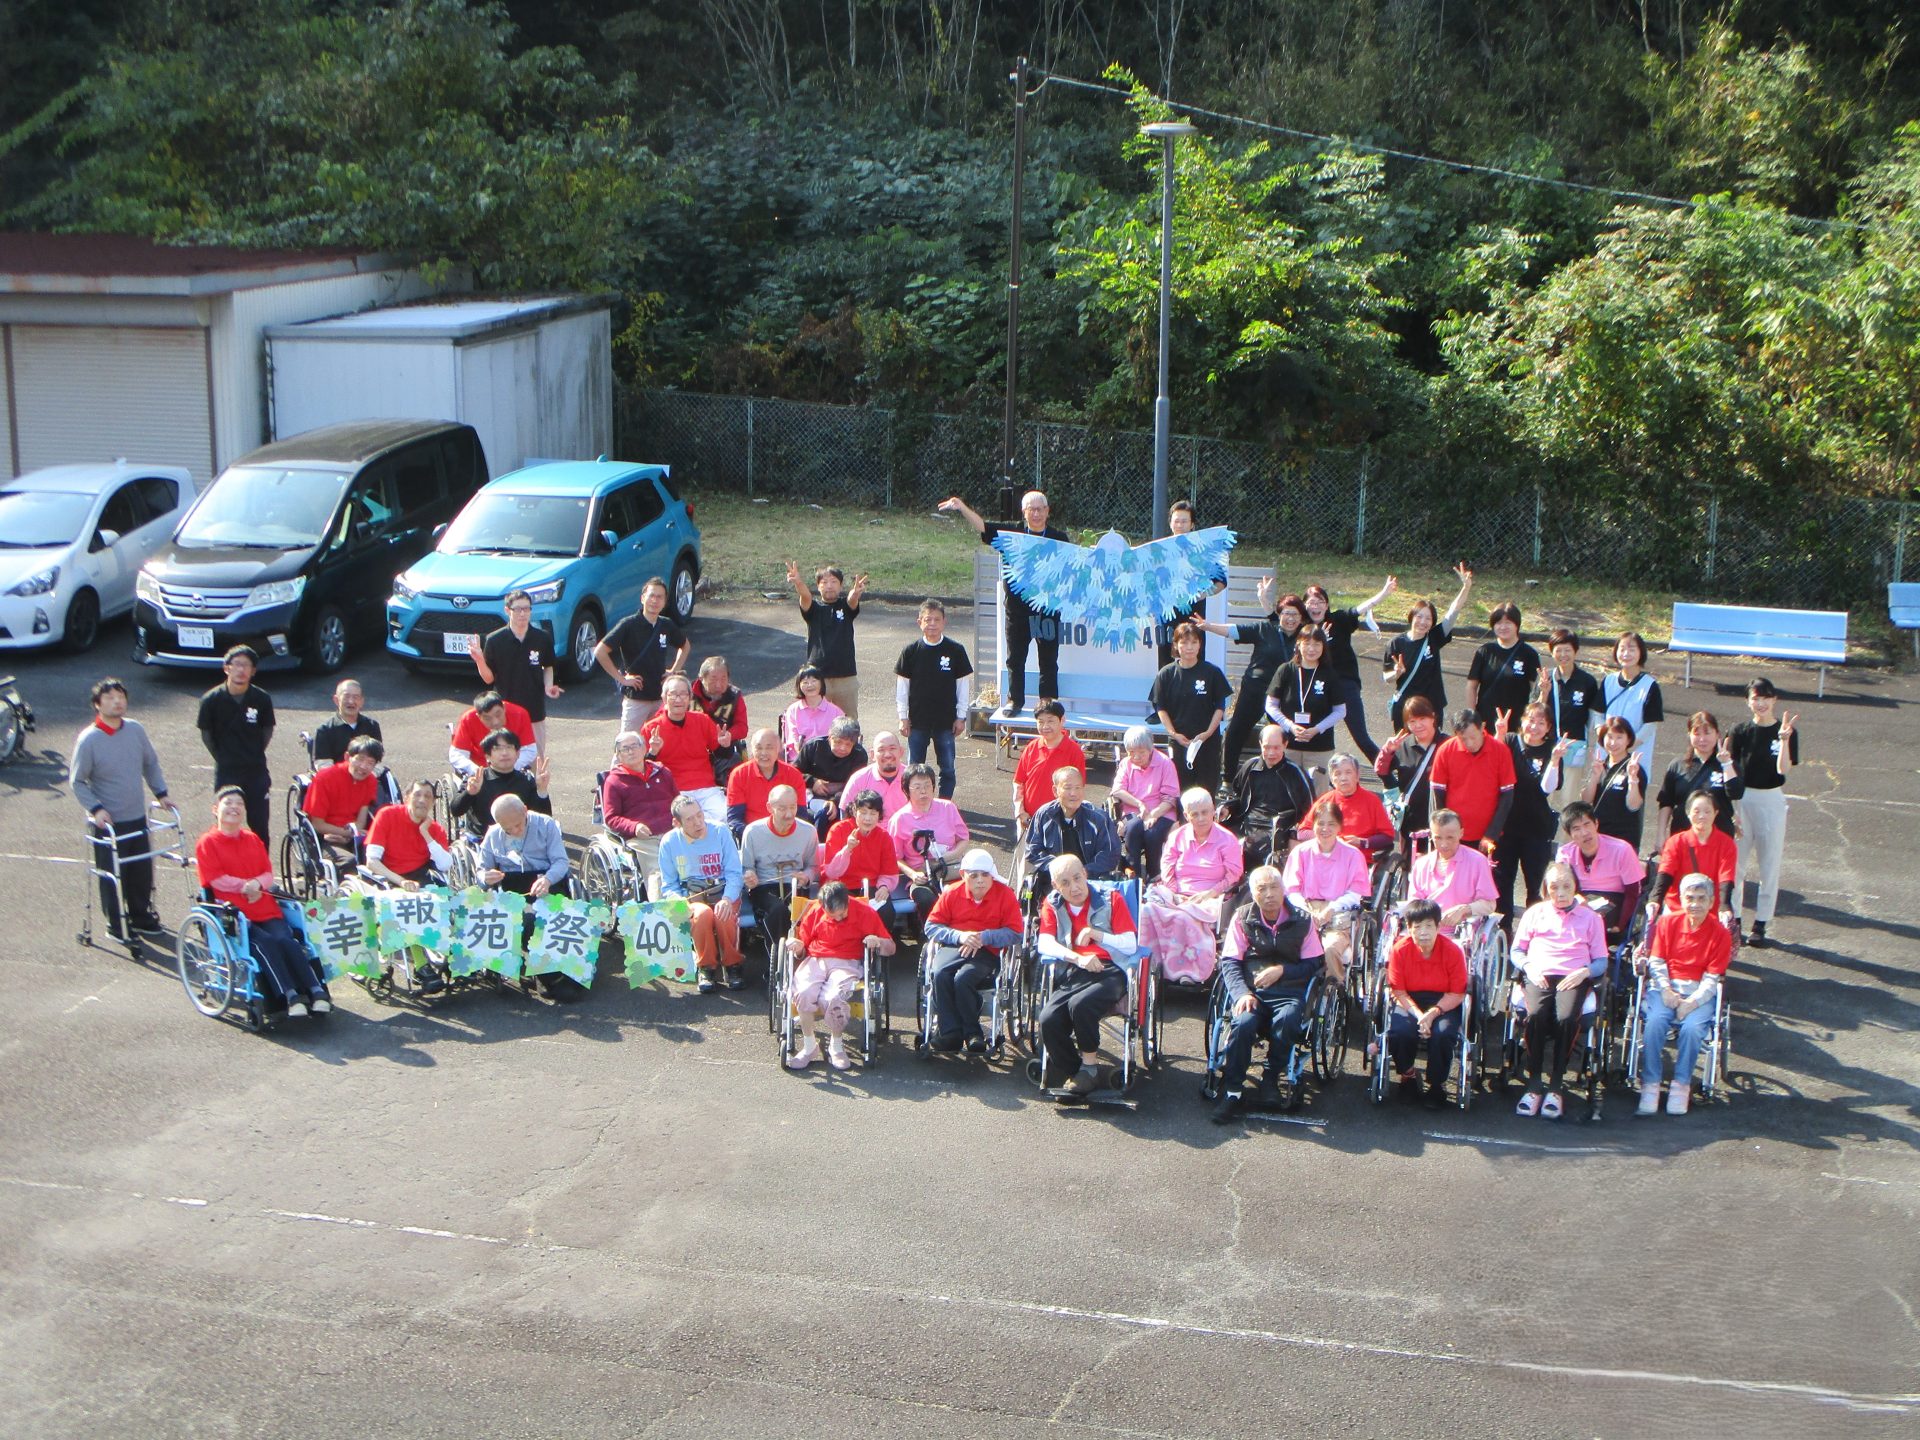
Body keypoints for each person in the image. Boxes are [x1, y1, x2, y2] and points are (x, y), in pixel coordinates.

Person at [194, 787, 327, 1014]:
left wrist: (256, 884)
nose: (234, 807)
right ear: (215, 809)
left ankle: (316, 991)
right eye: (229, 803)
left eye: (239, 804)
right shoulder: (207, 843)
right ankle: (290, 996)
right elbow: (216, 880)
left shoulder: (252, 839)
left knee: (287, 940)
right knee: (263, 942)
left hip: (264, 906)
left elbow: (267, 873)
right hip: (234, 913)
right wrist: (245, 886)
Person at [939, 489, 1069, 715]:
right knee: (1015, 658)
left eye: (1040, 509)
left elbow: (1073, 567)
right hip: (1017, 612)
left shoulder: (1059, 539)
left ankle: (1047, 702)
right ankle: (1014, 701)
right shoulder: (1012, 534)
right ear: (1024, 512)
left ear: (1047, 512)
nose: (1036, 514)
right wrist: (961, 507)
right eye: (1031, 509)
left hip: (1047, 610)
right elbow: (984, 527)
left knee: (1048, 658)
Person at [1210, 864, 1323, 1121]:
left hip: (1289, 991)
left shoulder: (1303, 921)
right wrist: (1241, 994)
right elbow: (1229, 961)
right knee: (1243, 1022)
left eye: (1274, 887)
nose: (1269, 893)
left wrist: (1282, 971)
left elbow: (1314, 963)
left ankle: (1271, 1077)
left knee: (1289, 1019)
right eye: (1262, 888)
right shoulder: (1241, 918)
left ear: (1284, 890)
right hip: (1253, 991)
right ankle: (1233, 1091)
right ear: (1254, 893)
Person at [70, 677, 173, 939]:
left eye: (121, 696)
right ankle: (116, 925)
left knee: (140, 871)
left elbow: (150, 763)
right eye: (110, 697)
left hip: (136, 816)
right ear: (97, 704)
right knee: (112, 875)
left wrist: (161, 793)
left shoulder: (135, 730)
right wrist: (96, 809)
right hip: (109, 823)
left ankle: (140, 916)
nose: (117, 702)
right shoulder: (89, 740)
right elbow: (78, 781)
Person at [1510, 862, 1609, 1119]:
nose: (1561, 892)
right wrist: (1529, 967)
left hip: (1573, 975)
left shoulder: (1591, 918)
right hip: (1539, 973)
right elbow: (1517, 950)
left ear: (1576, 886)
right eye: (1554, 887)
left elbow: (1601, 960)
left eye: (1566, 886)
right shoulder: (1535, 912)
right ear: (1546, 888)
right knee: (1536, 1015)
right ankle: (1534, 1081)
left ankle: (1556, 1083)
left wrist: (1584, 971)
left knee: (1566, 1018)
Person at [1035, 854, 1139, 1099]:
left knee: (1080, 1005)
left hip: (1110, 969)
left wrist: (1097, 934)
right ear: (1056, 886)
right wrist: (1077, 957)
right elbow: (1045, 943)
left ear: (1085, 873)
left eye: (1077, 878)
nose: (1074, 887)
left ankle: (1090, 1068)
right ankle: (1076, 1071)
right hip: (1074, 969)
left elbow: (1130, 944)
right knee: (1047, 1018)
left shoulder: (1111, 899)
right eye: (1065, 883)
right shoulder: (1052, 904)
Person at [1636, 872, 1733, 1116]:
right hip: (1665, 986)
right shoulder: (1667, 923)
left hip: (1699, 991)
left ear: (1711, 902)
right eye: (1690, 898)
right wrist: (1667, 990)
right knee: (1655, 1023)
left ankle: (1681, 1084)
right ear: (1681, 899)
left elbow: (1713, 978)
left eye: (1701, 899)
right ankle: (1651, 1083)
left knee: (1692, 1030)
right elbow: (1656, 961)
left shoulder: (1720, 934)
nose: (1695, 904)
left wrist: (1692, 1002)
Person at [477, 794, 586, 1002]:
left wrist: (547, 879)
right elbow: (481, 871)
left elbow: (561, 862)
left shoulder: (546, 825)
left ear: (525, 810)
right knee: (527, 920)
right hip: (512, 883)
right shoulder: (493, 835)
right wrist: (485, 877)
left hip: (545, 877)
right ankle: (548, 975)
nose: (515, 831)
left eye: (518, 825)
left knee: (555, 915)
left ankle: (565, 969)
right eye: (508, 829)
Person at [1196, 580, 1305, 777]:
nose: (1290, 619)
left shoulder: (1305, 638)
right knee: (1236, 731)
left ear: (1301, 617)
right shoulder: (1265, 629)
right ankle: (1229, 778)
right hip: (1255, 689)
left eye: (1295, 614)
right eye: (1286, 613)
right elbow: (1234, 630)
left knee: (1285, 735)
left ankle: (1283, 777)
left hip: (1284, 694)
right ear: (1278, 615)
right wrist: (1208, 626)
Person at [785, 881, 894, 1071]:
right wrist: (799, 947)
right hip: (816, 958)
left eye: (841, 914)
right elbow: (802, 948)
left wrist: (876, 941)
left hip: (847, 961)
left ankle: (836, 1045)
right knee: (803, 992)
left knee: (833, 998)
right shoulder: (815, 910)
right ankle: (810, 1046)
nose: (837, 919)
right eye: (832, 916)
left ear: (847, 903)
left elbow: (891, 948)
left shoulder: (865, 912)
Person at [923, 849, 1023, 1054]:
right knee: (940, 974)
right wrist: (960, 936)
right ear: (963, 875)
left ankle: (972, 1033)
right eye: (974, 875)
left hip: (987, 950)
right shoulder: (952, 892)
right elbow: (931, 927)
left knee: (963, 978)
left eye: (985, 875)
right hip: (955, 945)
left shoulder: (1005, 894)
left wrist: (983, 937)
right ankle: (950, 1033)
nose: (980, 880)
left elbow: (1015, 933)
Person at [1141, 788, 1245, 985]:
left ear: (1213, 810)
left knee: (1183, 916)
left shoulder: (1226, 839)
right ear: (1186, 815)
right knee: (1146, 910)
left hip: (1211, 895)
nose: (1201, 818)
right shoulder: (1177, 836)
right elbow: (1167, 867)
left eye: (1205, 812)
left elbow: (1234, 875)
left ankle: (1187, 970)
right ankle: (1151, 964)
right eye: (1194, 814)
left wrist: (1210, 893)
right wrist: (1175, 893)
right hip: (1177, 892)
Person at [1726, 677, 1798, 947]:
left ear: (1774, 699)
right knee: (1736, 865)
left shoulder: (1786, 730)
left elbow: (1784, 770)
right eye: (1756, 698)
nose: (1761, 703)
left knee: (1770, 864)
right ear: (1748, 701)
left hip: (1771, 801)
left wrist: (1784, 740)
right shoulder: (1740, 731)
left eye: (1766, 697)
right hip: (1743, 800)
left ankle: (1762, 922)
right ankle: (1735, 919)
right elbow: (1729, 767)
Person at [1384, 898, 1469, 1109]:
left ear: (1439, 927)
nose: (1423, 932)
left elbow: (1457, 992)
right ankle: (1408, 1075)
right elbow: (1399, 991)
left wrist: (1432, 1013)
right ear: (1409, 929)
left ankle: (1436, 1084)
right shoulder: (1399, 950)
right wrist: (1418, 1015)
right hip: (1409, 1000)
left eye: (1429, 926)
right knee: (1400, 1031)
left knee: (1443, 1033)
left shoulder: (1453, 951)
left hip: (1443, 1001)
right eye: (1417, 926)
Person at [657, 793, 746, 991]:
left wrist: (727, 898)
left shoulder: (720, 831)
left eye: (700, 815)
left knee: (724, 914)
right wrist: (681, 902)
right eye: (690, 819)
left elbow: (734, 872)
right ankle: (706, 966)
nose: (698, 823)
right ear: (677, 823)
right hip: (692, 896)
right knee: (702, 915)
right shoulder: (669, 843)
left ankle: (733, 964)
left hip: (722, 891)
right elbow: (669, 885)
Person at [1489, 703, 1567, 920]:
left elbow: (1547, 788)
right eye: (1531, 720)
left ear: (1549, 727)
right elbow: (1491, 762)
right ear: (1522, 721)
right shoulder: (1511, 740)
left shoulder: (1553, 748)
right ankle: (1502, 929)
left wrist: (1554, 760)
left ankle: (1534, 929)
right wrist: (1499, 734)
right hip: (1505, 825)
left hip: (1536, 827)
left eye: (1541, 723)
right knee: (1501, 880)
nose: (1535, 726)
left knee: (1535, 884)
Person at [1303, 578, 1395, 760]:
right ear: (1305, 605)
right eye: (1311, 602)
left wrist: (1384, 593)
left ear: (1327, 605)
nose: (1316, 606)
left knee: (1361, 737)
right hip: (1318, 687)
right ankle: (1321, 779)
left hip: (1345, 685)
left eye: (1320, 601)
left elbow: (1359, 609)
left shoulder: (1338, 620)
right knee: (1315, 734)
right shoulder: (1304, 629)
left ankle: (1392, 774)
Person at [894, 598, 973, 800]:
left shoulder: (956, 650)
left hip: (946, 722)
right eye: (927, 620)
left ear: (944, 622)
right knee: (913, 769)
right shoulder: (910, 652)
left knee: (947, 767)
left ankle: (945, 803)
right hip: (917, 721)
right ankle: (913, 802)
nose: (932, 624)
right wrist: (903, 717)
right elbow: (902, 688)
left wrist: (961, 717)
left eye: (937, 620)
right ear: (919, 621)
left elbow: (962, 687)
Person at [1281, 802, 1371, 977]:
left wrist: (1332, 909)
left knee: (1331, 949)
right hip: (1305, 910)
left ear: (1339, 827)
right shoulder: (1300, 852)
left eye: (1331, 824)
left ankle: (1334, 987)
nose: (1325, 829)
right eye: (1320, 823)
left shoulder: (1353, 855)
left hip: (1338, 915)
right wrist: (1305, 910)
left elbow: (1356, 892)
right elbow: (1292, 890)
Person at [468, 590, 561, 754]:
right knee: (504, 756)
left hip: (534, 710)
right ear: (507, 610)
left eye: (527, 609)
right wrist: (479, 660)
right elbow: (489, 679)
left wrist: (548, 686)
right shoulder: (495, 640)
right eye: (518, 609)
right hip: (504, 712)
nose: (523, 613)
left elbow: (548, 666)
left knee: (536, 759)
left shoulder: (542, 638)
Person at [197, 645, 275, 841]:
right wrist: (224, 756)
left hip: (255, 770)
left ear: (253, 671)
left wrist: (253, 752)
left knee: (260, 827)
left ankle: (260, 869)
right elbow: (207, 734)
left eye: (246, 665)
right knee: (226, 825)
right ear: (226, 668)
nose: (241, 670)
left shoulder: (261, 699)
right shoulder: (211, 700)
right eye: (237, 664)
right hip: (227, 772)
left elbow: (267, 730)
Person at [1382, 564, 1473, 731]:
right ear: (1411, 617)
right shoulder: (1395, 644)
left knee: (1432, 753)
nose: (1423, 622)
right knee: (1405, 752)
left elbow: (1454, 610)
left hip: (1432, 706)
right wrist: (1397, 673)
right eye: (1419, 616)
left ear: (1432, 622)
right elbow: (1386, 678)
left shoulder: (1434, 638)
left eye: (1428, 619)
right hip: (1405, 708)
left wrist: (1466, 587)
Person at [595, 576, 688, 733]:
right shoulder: (628, 624)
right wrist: (621, 679)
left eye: (660, 597)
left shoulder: (666, 625)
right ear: (643, 598)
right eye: (651, 595)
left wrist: (673, 671)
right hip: (636, 699)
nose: (655, 600)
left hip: (660, 698)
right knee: (628, 744)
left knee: (658, 744)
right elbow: (600, 651)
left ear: (665, 601)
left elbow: (685, 646)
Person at [1149, 619, 1233, 793]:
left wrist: (1208, 733)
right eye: (1184, 642)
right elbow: (1160, 707)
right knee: (1180, 790)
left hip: (1207, 741)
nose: (1189, 647)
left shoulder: (1212, 672)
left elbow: (1220, 706)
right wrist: (1174, 734)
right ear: (1176, 645)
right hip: (1180, 741)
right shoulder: (1166, 673)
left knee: (1207, 790)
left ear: (1200, 645)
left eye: (1194, 642)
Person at [1221, 723, 1315, 871]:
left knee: (1253, 845)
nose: (1271, 752)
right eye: (1266, 747)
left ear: (1285, 745)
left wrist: (1294, 830)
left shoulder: (1295, 773)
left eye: (1276, 747)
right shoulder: (1249, 767)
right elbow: (1238, 796)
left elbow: (1310, 810)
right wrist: (1227, 808)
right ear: (1260, 745)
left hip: (1277, 826)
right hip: (1247, 822)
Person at [641, 675, 729, 827]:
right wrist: (653, 752)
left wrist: (724, 746)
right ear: (664, 698)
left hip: (706, 787)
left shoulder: (702, 720)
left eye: (683, 694)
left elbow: (722, 755)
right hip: (674, 790)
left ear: (690, 698)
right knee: (684, 821)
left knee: (725, 815)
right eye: (673, 694)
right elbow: (643, 770)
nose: (678, 699)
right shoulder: (651, 728)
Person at [739, 784, 818, 954]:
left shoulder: (808, 831)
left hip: (795, 885)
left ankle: (799, 958)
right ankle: (779, 962)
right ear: (770, 808)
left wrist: (806, 876)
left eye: (793, 807)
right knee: (778, 910)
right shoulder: (753, 832)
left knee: (799, 911)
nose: (789, 814)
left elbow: (813, 866)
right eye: (782, 808)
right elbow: (747, 867)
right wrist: (749, 876)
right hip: (764, 887)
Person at [888, 763, 970, 923]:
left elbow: (963, 839)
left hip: (952, 868)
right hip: (922, 875)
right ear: (906, 790)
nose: (923, 791)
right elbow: (895, 858)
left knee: (971, 891)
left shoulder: (948, 807)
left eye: (927, 785)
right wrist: (913, 874)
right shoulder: (899, 819)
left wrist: (947, 857)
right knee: (926, 899)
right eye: (917, 787)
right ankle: (931, 933)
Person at [1023, 766, 1122, 896]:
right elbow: (1032, 850)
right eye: (1068, 788)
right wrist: (1057, 868)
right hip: (1054, 881)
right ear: (1055, 790)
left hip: (1091, 881)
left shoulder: (1099, 818)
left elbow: (1110, 854)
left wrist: (1083, 873)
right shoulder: (1044, 815)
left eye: (1078, 788)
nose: (1073, 793)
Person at [786, 559, 866, 718]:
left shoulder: (845, 607)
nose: (829, 585)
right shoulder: (813, 609)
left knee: (848, 723)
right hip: (818, 678)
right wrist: (799, 583)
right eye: (824, 582)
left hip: (846, 677)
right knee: (817, 721)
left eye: (834, 581)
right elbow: (805, 596)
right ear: (818, 586)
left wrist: (856, 592)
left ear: (841, 586)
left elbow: (852, 600)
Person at [1428, 708, 1515, 854]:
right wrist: (1443, 834)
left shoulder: (1500, 751)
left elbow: (1507, 795)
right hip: (1453, 835)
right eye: (1463, 739)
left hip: (1487, 836)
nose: (1469, 743)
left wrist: (1491, 834)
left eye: (1473, 737)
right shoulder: (1446, 751)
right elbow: (1436, 795)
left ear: (1482, 727)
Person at [1654, 711, 1743, 842]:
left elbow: (1736, 793)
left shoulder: (1729, 764)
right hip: (1682, 839)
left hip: (1719, 840)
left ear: (1717, 734)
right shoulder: (1677, 765)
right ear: (1689, 735)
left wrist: (1726, 764)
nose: (1702, 739)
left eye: (1707, 733)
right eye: (1697, 734)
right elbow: (1666, 802)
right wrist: (1660, 835)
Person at [1406, 810, 1498, 936]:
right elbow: (1413, 902)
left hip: (1462, 932)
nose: (1444, 844)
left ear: (1461, 833)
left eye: (1450, 837)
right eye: (1437, 838)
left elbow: (1489, 904)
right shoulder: (1421, 864)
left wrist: (1464, 909)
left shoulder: (1477, 861)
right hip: (1426, 932)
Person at [449, 730, 551, 840]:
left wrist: (542, 790)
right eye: (497, 748)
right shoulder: (476, 779)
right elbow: (456, 810)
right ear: (488, 756)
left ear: (517, 754)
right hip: (484, 840)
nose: (504, 753)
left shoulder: (526, 779)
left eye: (509, 747)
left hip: (521, 839)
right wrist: (469, 793)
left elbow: (543, 818)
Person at [1650, 792, 1738, 919]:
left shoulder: (1726, 844)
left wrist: (1724, 905)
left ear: (1716, 813)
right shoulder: (1676, 842)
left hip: (1711, 910)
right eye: (1696, 811)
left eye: (1707, 811)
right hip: (1678, 908)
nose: (1702, 816)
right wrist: (1655, 898)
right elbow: (1666, 872)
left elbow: (1726, 877)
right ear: (1688, 813)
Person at [821, 789, 902, 925]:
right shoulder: (838, 830)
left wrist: (884, 887)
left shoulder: (884, 836)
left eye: (873, 813)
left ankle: (878, 945)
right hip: (841, 887)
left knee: (886, 912)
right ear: (854, 811)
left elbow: (890, 871)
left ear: (879, 815)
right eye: (863, 813)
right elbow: (831, 872)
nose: (868, 818)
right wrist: (847, 849)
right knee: (846, 914)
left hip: (872, 885)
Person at [1111, 726, 1182, 878]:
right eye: (1131, 752)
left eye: (1141, 752)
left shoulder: (1165, 763)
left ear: (1151, 749)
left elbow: (1170, 797)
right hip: (1133, 811)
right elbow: (1117, 790)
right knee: (1133, 828)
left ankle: (1155, 873)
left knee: (1153, 834)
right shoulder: (1126, 764)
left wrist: (1154, 814)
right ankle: (1133, 873)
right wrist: (1139, 804)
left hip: (1162, 811)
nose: (1136, 757)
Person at [1556, 802, 1644, 925]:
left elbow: (1633, 892)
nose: (1584, 832)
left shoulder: (1622, 849)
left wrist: (1620, 926)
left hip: (1612, 900)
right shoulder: (1565, 853)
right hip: (1578, 898)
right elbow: (1561, 887)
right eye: (1577, 829)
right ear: (1569, 834)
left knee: (1593, 921)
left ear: (1596, 824)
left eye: (1587, 824)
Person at [1264, 624, 1343, 759]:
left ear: (1324, 646)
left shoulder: (1330, 674)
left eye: (1317, 644)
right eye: (1307, 644)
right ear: (1298, 645)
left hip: (1320, 747)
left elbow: (1340, 711)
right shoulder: (1286, 670)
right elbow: (1270, 705)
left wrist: (1317, 729)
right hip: (1287, 745)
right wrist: (1290, 726)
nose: (1311, 649)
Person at [1374, 696, 1442, 843]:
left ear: (1433, 717)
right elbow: (1381, 771)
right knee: (1409, 864)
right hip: (1410, 819)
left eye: (1422, 718)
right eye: (1412, 721)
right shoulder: (1402, 745)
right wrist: (1387, 751)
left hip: (1441, 819)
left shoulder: (1447, 744)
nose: (1418, 725)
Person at [1538, 628, 1600, 791]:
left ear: (1576, 651)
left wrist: (1592, 747)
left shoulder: (1587, 682)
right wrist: (1544, 693)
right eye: (1558, 650)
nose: (1563, 655)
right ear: (1551, 652)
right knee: (1545, 794)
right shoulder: (1546, 678)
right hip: (1548, 745)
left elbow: (1594, 718)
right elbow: (1535, 711)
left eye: (1568, 650)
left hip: (1574, 746)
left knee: (1569, 797)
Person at [300, 735, 382, 855]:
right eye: (360, 759)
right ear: (347, 757)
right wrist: (346, 833)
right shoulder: (325, 778)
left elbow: (361, 821)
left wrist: (352, 835)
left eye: (370, 763)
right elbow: (317, 824)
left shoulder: (371, 781)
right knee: (349, 863)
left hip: (353, 836)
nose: (364, 767)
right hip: (327, 837)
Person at [1299, 753, 1396, 853]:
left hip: (1360, 859)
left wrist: (1362, 842)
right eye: (1337, 774)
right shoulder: (1325, 801)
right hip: (1326, 858)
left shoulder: (1372, 801)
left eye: (1348, 772)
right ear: (1332, 779)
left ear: (1357, 775)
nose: (1343, 778)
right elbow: (1302, 832)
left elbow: (1388, 836)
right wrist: (1328, 837)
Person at [1465, 602, 1540, 730]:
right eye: (1498, 623)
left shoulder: (1529, 654)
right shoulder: (1484, 651)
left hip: (1517, 723)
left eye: (1508, 623)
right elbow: (1471, 687)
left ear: (1517, 625)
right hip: (1485, 721)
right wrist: (1472, 717)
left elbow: (1535, 691)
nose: (1503, 627)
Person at [362, 780, 452, 888]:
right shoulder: (387, 815)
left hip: (420, 878)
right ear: (406, 798)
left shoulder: (435, 829)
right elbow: (372, 862)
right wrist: (401, 881)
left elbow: (445, 865)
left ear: (433, 803)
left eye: (427, 796)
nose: (422, 800)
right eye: (417, 795)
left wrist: (425, 833)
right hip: (387, 878)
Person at [1600, 633, 1664, 780]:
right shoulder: (1608, 681)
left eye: (1632, 649)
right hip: (1607, 753)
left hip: (1635, 754)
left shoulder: (1649, 686)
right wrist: (1604, 738)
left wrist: (1627, 747)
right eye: (1622, 649)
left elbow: (1650, 725)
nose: (1626, 654)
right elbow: (1597, 714)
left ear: (1641, 653)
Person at [1013, 702, 1087, 824]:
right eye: (1040, 722)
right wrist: (1020, 812)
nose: (1045, 726)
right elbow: (1018, 782)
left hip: (1059, 822)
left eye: (1050, 721)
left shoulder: (1074, 751)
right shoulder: (1031, 747)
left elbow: (1078, 789)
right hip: (1028, 820)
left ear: (1062, 720)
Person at [1581, 716, 1646, 853]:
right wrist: (1595, 776)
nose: (1613, 742)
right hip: (1597, 838)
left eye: (1619, 737)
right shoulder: (1600, 764)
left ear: (1628, 740)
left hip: (1623, 842)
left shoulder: (1633, 768)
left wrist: (1633, 778)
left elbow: (1634, 805)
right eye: (1609, 737)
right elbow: (1586, 800)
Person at [601, 731, 679, 844]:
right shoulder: (614, 782)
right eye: (625, 749)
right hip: (642, 838)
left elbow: (678, 802)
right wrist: (634, 827)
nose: (631, 752)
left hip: (673, 831)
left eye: (634, 746)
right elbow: (611, 818)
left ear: (644, 749)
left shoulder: (662, 772)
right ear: (618, 755)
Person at [725, 727, 804, 838]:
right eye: (759, 748)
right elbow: (735, 819)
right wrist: (755, 837)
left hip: (787, 835)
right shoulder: (739, 775)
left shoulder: (793, 775)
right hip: (752, 836)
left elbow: (801, 815)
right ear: (752, 749)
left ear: (779, 749)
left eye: (769, 748)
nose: (763, 753)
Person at [796, 716, 867, 837]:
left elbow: (856, 785)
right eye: (838, 742)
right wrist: (812, 782)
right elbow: (794, 772)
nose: (842, 748)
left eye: (848, 744)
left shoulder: (859, 755)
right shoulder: (813, 747)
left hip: (842, 797)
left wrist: (835, 801)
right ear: (829, 737)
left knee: (825, 813)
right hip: (811, 795)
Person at [692, 655, 750, 786]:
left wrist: (729, 734)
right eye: (713, 679)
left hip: (724, 747)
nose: (719, 684)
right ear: (701, 679)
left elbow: (742, 726)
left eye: (723, 679)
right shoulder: (687, 692)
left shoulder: (734, 695)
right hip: (693, 747)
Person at [448, 691, 536, 775]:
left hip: (513, 765)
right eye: (487, 718)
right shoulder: (468, 719)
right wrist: (476, 771)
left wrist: (510, 768)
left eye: (498, 715)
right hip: (480, 768)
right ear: (478, 716)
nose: (495, 722)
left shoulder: (520, 714)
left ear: (504, 708)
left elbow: (529, 749)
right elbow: (457, 754)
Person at [311, 678, 381, 767]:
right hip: (335, 778)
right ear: (336, 700)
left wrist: (365, 777)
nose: (351, 701)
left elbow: (377, 760)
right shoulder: (324, 730)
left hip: (366, 776)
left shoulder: (372, 726)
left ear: (361, 701)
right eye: (346, 696)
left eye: (356, 697)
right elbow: (323, 765)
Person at [843, 730, 910, 822]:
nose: (887, 755)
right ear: (872, 755)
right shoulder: (858, 779)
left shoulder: (913, 778)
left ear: (901, 751)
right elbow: (846, 814)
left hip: (905, 834)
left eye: (892, 748)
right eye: (881, 750)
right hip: (870, 834)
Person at [781, 666, 843, 762]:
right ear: (799, 686)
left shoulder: (836, 712)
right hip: (799, 758)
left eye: (814, 681)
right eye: (805, 682)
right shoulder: (793, 710)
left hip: (828, 760)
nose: (810, 685)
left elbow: (841, 740)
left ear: (821, 683)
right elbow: (793, 739)